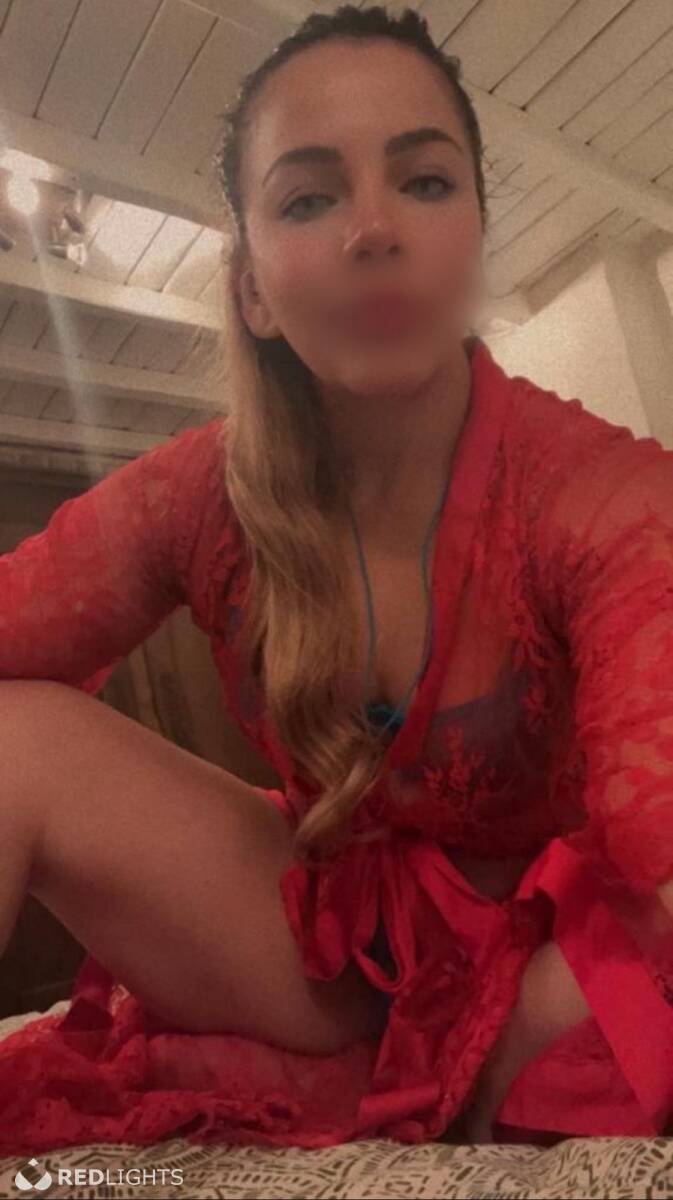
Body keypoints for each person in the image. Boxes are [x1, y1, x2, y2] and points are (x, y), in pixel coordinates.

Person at [0, 3, 672, 1155]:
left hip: (546, 953)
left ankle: (463, 1073)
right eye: (309, 199)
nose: (373, 229)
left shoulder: (603, 495)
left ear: (473, 238)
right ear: (253, 290)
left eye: (423, 182)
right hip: (330, 933)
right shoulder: (198, 493)